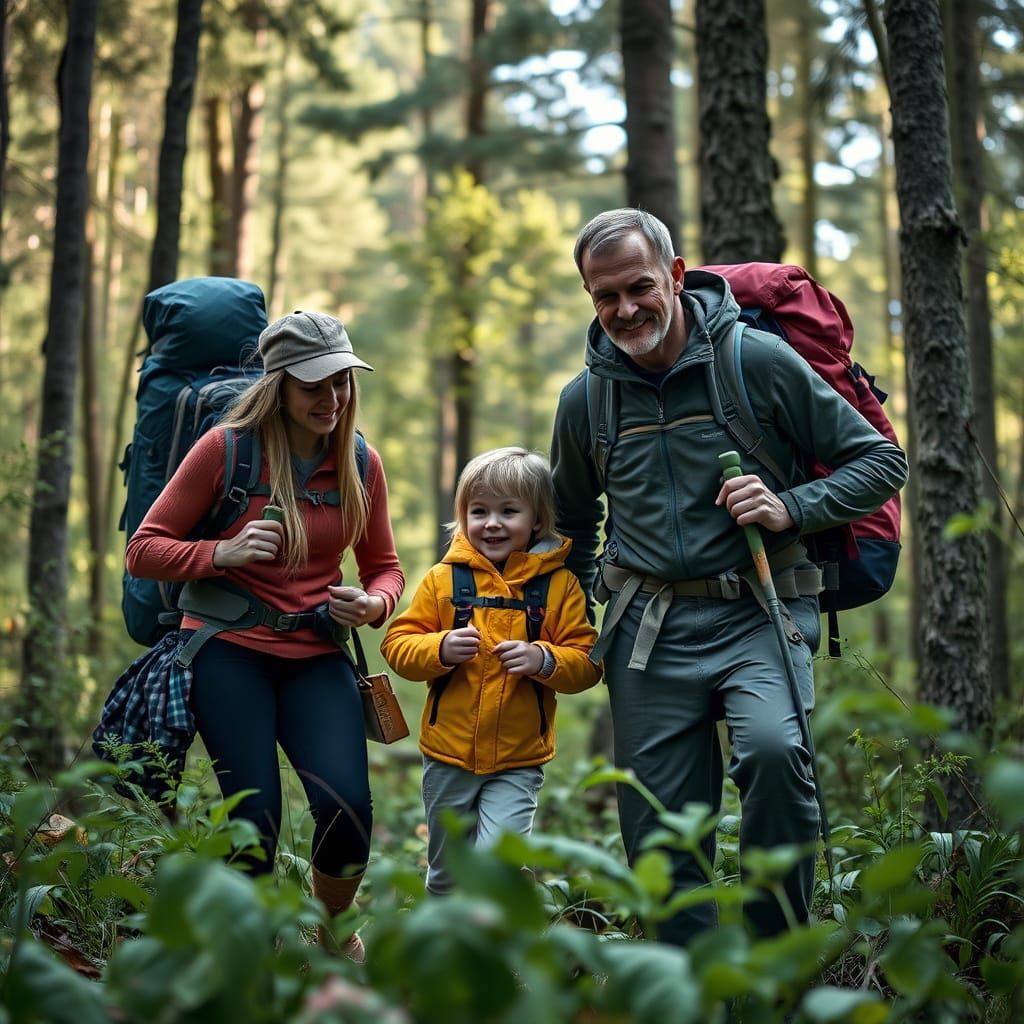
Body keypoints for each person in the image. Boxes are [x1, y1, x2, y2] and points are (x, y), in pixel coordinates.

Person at [550, 209, 908, 945]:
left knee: (776, 754)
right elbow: (574, 522)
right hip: (647, 632)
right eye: (604, 296)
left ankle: (775, 964)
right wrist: (582, 617)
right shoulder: (586, 400)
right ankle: (692, 985)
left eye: (640, 287)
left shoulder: (756, 363)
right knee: (658, 826)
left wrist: (791, 507)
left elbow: (880, 462)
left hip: (759, 612)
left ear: (676, 277)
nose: (625, 310)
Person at [126, 310, 405, 960]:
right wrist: (220, 553)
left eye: (341, 382)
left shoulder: (361, 462)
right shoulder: (226, 449)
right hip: (229, 651)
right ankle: (251, 950)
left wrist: (373, 602)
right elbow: (144, 549)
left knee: (347, 811)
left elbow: (384, 567)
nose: (331, 399)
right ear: (277, 382)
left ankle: (333, 931)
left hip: (317, 655)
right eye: (314, 385)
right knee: (253, 822)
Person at [380, 447, 602, 895]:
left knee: (497, 863)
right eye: (479, 511)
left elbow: (587, 661)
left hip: (518, 759)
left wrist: (544, 659)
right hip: (448, 755)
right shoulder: (445, 580)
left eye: (508, 511)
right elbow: (398, 644)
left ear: (537, 520)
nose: (492, 523)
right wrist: (439, 647)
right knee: (447, 869)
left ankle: (493, 948)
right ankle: (443, 947)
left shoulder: (558, 586)